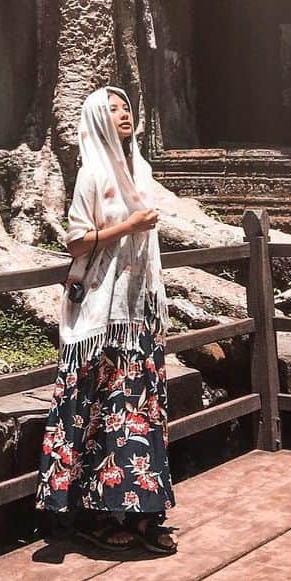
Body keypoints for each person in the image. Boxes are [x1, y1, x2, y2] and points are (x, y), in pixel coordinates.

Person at [34, 86, 177, 555]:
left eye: (127, 108)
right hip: (100, 316)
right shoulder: (92, 173)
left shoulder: (143, 172)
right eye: (111, 109)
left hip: (137, 312)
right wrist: (129, 227)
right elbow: (77, 241)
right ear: (95, 120)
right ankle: (94, 515)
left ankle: (141, 510)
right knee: (100, 411)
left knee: (138, 412)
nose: (123, 115)